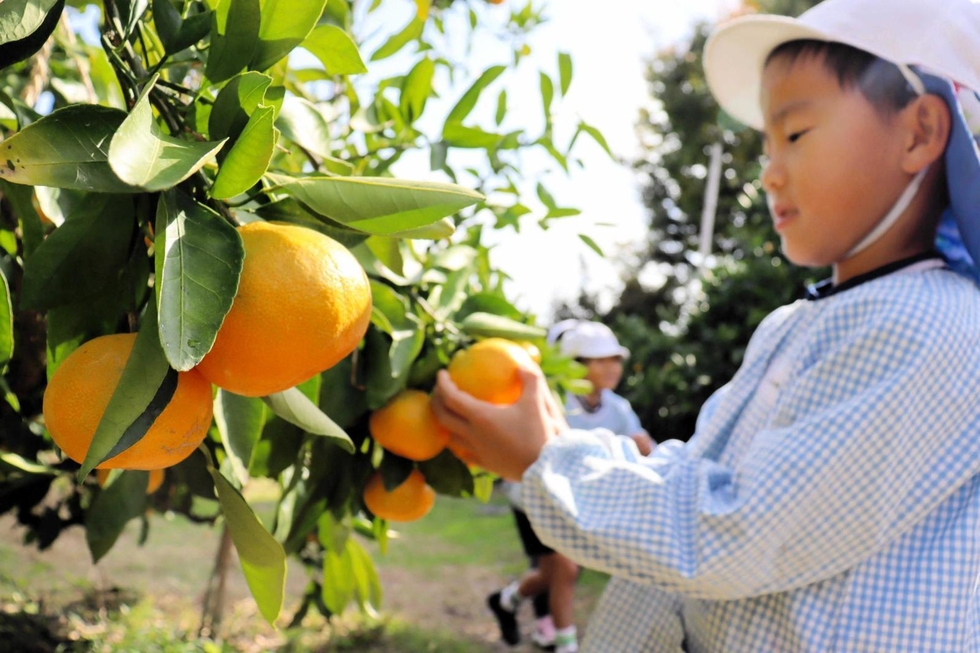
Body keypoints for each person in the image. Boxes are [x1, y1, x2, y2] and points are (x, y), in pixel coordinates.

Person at [432, 0, 980, 649]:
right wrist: (556, 445)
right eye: (767, 143)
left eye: (796, 134)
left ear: (919, 132)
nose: (769, 171)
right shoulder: (803, 320)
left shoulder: (927, 325)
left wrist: (549, 462)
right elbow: (705, 477)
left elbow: (738, 532)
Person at [488, 321, 653, 652]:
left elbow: (644, 443)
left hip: (571, 499)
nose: (611, 367)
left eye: (615, 359)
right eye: (600, 360)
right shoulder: (555, 401)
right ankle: (566, 645)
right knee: (566, 567)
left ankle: (506, 600)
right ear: (576, 364)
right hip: (531, 495)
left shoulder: (617, 408)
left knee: (551, 573)